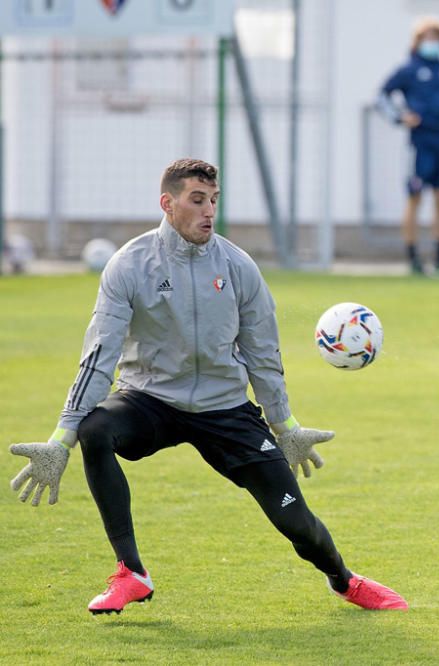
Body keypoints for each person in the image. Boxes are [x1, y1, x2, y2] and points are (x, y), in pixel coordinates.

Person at [8, 159, 408, 614]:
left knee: (295, 520)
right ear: (168, 203)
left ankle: (344, 579)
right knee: (96, 428)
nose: (209, 212)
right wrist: (62, 437)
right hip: (150, 400)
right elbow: (98, 355)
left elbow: (264, 355)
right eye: (197, 200)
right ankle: (131, 573)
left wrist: (286, 426)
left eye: (213, 201)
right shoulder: (128, 266)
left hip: (226, 407)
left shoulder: (238, 267)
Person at [378, 17, 439, 276]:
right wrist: (399, 116)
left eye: (436, 38)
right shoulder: (408, 70)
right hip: (420, 142)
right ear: (418, 41)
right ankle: (413, 257)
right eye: (428, 38)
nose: (433, 43)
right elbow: (382, 96)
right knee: (415, 197)